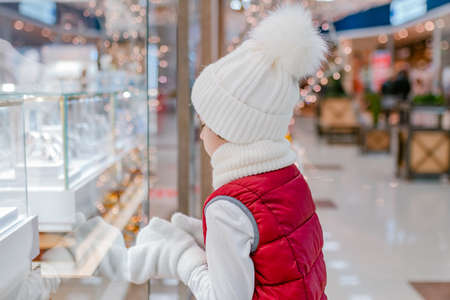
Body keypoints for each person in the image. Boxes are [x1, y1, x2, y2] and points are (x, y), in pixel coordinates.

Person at [97, 5, 328, 300]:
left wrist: (183, 257)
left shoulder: (228, 207)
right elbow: (273, 251)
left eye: (206, 123)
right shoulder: (290, 178)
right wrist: (206, 239)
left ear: (233, 132)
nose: (202, 133)